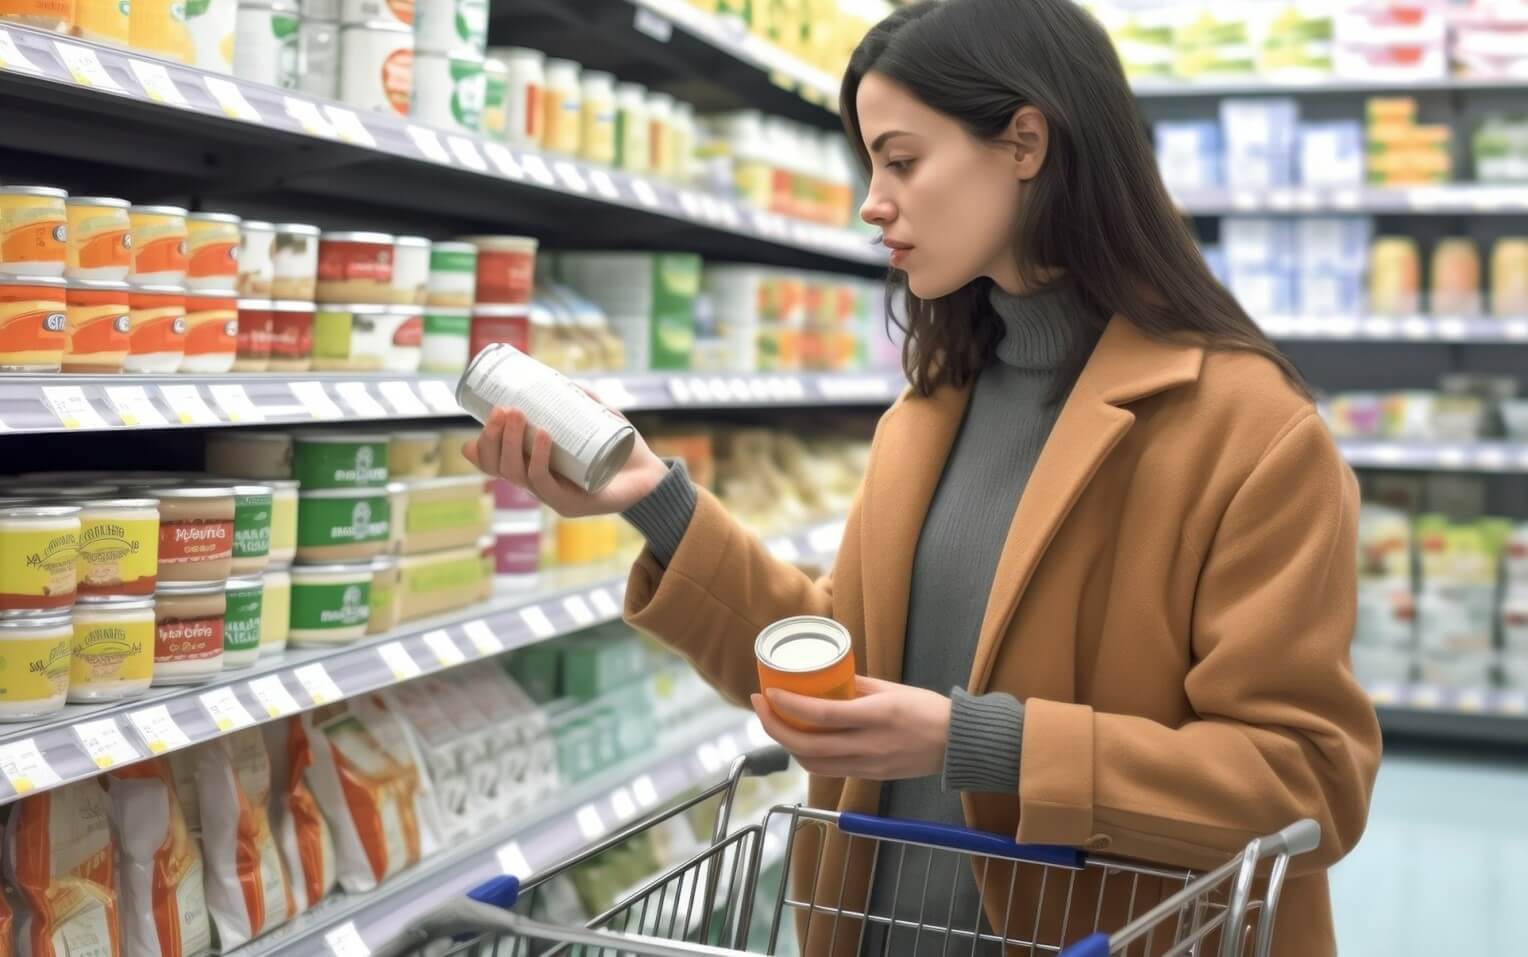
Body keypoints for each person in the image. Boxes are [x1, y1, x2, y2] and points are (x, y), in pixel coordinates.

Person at [464, 0, 1382, 953]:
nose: (872, 199)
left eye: (901, 160)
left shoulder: (1250, 430)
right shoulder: (932, 407)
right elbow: (843, 669)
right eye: (871, 164)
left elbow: (1306, 781)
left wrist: (978, 742)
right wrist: (652, 497)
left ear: (1025, 141)